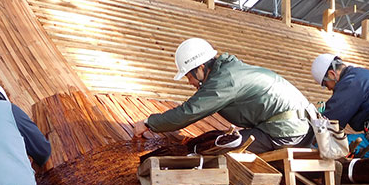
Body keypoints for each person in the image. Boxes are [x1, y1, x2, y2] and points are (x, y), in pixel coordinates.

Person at [132, 38, 313, 153]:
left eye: (188, 76)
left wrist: (149, 123)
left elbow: (190, 111)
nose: (190, 82)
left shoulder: (225, 80)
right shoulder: (229, 70)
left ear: (200, 69)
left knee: (219, 147)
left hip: (286, 131)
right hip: (295, 127)